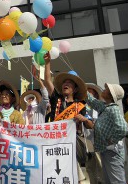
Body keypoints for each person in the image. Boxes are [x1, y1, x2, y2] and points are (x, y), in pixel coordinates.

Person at [43, 53, 88, 182]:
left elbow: (87, 125)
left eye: (69, 83)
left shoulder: (80, 106)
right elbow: (47, 81)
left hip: (71, 143)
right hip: (54, 142)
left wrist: (82, 119)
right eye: (64, 83)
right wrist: (47, 63)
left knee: (73, 172)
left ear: (74, 89)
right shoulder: (56, 99)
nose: (65, 84)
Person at [75, 83, 128, 184]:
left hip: (113, 152)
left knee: (117, 181)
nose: (104, 90)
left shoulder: (113, 109)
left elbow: (123, 129)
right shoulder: (105, 107)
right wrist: (79, 82)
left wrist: (111, 140)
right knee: (109, 180)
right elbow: (91, 100)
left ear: (111, 95)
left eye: (107, 89)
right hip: (107, 150)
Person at [83, 83, 104, 184]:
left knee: (100, 165)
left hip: (98, 141)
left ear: (95, 95)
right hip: (86, 141)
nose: (87, 94)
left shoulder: (99, 107)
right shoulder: (81, 106)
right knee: (89, 167)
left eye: (90, 93)